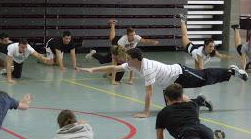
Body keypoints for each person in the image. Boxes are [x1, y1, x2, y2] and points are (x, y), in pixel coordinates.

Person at [79, 48, 248, 118]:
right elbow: (114, 68)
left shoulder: (147, 68)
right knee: (174, 107)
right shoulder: (132, 64)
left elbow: (149, 92)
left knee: (204, 77)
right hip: (169, 85)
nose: (126, 61)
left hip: (180, 74)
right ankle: (200, 101)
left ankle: (231, 71)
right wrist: (92, 70)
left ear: (137, 59)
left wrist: (145, 112)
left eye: (129, 59)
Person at [86, 19, 159, 83]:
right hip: (118, 47)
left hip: (126, 52)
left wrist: (153, 41)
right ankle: (93, 53)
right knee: (104, 59)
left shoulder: (136, 37)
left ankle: (110, 73)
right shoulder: (122, 40)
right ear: (127, 35)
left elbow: (145, 40)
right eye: (131, 35)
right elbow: (119, 53)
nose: (133, 36)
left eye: (134, 34)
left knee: (126, 65)